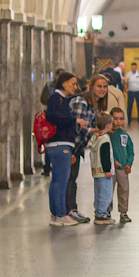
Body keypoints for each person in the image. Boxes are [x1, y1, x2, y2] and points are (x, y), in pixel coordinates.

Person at [44, 71, 84, 227]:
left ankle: (55, 213)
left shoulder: (60, 99)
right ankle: (60, 214)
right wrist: (74, 120)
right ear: (64, 83)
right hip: (61, 144)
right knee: (61, 181)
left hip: (58, 144)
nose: (76, 87)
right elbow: (53, 116)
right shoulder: (57, 98)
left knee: (57, 180)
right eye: (73, 83)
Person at [67, 81, 95, 222]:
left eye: (104, 87)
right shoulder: (80, 102)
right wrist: (72, 150)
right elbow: (76, 129)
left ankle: (73, 209)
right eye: (99, 86)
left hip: (77, 147)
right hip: (71, 145)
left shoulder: (91, 106)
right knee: (69, 178)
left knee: (72, 178)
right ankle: (68, 211)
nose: (102, 90)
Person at [89, 113, 116, 225]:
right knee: (106, 193)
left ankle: (98, 212)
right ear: (108, 125)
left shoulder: (96, 136)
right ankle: (102, 214)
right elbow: (105, 155)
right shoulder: (105, 139)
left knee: (98, 193)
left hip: (96, 171)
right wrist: (108, 170)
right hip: (104, 172)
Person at [110, 107, 134, 224]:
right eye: (115, 119)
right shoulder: (107, 135)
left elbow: (130, 151)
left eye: (121, 119)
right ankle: (106, 212)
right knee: (108, 190)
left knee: (124, 189)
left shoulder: (124, 135)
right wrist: (113, 161)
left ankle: (123, 212)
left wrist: (129, 163)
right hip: (110, 169)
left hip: (122, 169)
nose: (118, 121)